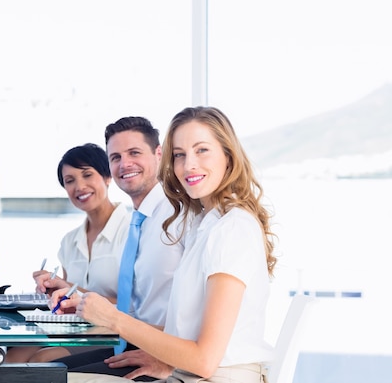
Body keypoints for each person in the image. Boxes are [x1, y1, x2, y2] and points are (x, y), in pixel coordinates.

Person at [67, 106, 278, 383]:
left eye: (202, 150)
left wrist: (115, 320)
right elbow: (190, 338)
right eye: (180, 155)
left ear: (228, 156)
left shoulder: (232, 228)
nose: (188, 165)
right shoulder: (207, 224)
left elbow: (204, 359)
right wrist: (165, 360)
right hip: (186, 373)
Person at [50, 117, 185, 381]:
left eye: (134, 153)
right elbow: (135, 303)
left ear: (159, 154)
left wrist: (170, 360)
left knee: (44, 377)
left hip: (166, 351)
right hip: (134, 342)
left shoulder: (177, 215)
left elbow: (201, 303)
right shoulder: (142, 221)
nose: (124, 164)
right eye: (115, 157)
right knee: (35, 371)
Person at [5, 143, 130, 363]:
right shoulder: (69, 241)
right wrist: (56, 292)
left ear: (107, 177)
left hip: (116, 334)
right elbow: (69, 299)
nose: (79, 186)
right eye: (70, 181)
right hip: (77, 331)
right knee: (11, 357)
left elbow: (134, 305)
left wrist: (70, 289)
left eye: (87, 175)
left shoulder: (130, 231)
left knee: (41, 362)